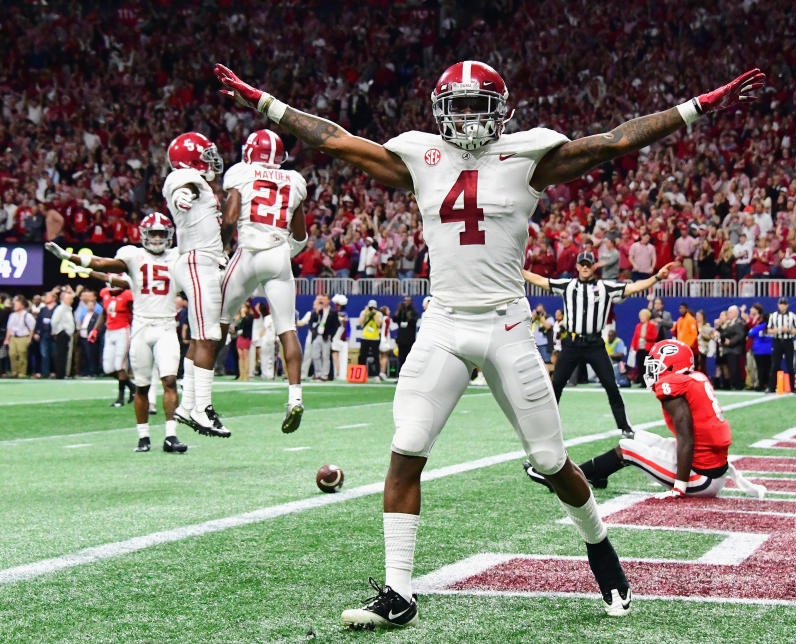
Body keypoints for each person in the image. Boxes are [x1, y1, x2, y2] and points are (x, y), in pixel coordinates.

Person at [217, 58, 765, 627]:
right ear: (440, 112)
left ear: (501, 112)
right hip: (444, 323)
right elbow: (336, 140)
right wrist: (266, 103)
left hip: (506, 325)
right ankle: (399, 592)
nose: (470, 119)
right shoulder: (419, 157)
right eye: (460, 107)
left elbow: (613, 142)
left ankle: (599, 544)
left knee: (552, 462)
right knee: (406, 448)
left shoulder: (529, 156)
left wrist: (698, 105)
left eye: (480, 107)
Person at [525, 340, 766, 499]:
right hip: (712, 468)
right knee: (638, 437)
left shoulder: (673, 387)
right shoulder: (694, 378)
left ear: (672, 365)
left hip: (702, 478)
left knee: (627, 448)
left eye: (657, 365)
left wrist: (679, 488)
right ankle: (596, 474)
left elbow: (686, 440)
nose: (652, 370)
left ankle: (561, 481)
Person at [46, 214, 188, 452]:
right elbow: (102, 264)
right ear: (143, 234)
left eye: (160, 234)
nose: (156, 238)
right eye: (152, 233)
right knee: (142, 386)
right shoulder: (133, 256)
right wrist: (68, 256)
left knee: (170, 380)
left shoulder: (176, 257)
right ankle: (143, 437)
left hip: (165, 326)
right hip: (141, 327)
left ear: (169, 236)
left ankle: (171, 436)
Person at [218, 129, 308, 432]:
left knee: (217, 319)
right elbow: (301, 235)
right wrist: (286, 251)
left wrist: (219, 250)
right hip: (278, 253)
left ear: (249, 151)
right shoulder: (295, 180)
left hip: (248, 252)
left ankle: (198, 395)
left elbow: (230, 219)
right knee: (287, 329)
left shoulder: (240, 172)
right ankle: (295, 398)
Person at [525, 252, 673, 436]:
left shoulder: (605, 287)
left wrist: (657, 277)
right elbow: (540, 280)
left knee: (611, 385)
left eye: (589, 264)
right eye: (582, 264)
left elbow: (633, 288)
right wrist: (518, 271)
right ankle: (544, 430)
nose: (585, 267)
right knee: (556, 386)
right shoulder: (567, 285)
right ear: (577, 266)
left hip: (595, 343)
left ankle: (625, 427)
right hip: (572, 342)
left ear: (594, 266)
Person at [163, 131, 230, 438]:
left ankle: (187, 404)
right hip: (197, 261)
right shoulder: (184, 177)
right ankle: (201, 408)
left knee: (202, 338)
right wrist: (183, 195)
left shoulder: (202, 183)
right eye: (204, 154)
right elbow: (181, 186)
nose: (210, 159)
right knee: (208, 337)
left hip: (203, 260)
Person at [96, 280, 136, 407]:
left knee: (120, 366)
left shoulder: (127, 295)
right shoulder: (105, 293)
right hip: (109, 331)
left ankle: (120, 398)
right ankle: (132, 387)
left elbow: (133, 314)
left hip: (122, 331)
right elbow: (104, 313)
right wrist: (95, 329)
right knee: (108, 368)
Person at [766, 297, 796, 393]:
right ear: (778, 305)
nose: (782, 306)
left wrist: (789, 330)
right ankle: (772, 387)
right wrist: (779, 330)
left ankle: (793, 388)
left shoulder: (792, 316)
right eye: (781, 304)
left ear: (787, 305)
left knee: (790, 365)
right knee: (775, 365)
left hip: (788, 341)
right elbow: (769, 330)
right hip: (777, 341)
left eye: (784, 304)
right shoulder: (773, 316)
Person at [299, 295, 338, 381]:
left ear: (328, 300)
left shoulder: (333, 312)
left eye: (324, 299)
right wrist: (313, 330)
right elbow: (312, 322)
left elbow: (336, 325)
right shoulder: (318, 311)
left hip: (325, 336)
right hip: (316, 335)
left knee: (325, 356)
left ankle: (324, 376)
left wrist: (331, 334)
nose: (323, 301)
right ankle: (318, 374)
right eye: (322, 300)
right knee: (315, 355)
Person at [3, 295, 35, 377]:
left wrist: (29, 339)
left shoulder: (27, 315)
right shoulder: (12, 315)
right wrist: (7, 339)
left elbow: (32, 328)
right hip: (13, 338)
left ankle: (22, 373)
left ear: (22, 305)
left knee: (22, 355)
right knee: (12, 354)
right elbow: (9, 328)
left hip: (23, 337)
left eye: (17, 304)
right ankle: (14, 371)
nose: (15, 306)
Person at [718, 305, 745, 390]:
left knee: (735, 368)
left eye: (730, 312)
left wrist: (730, 341)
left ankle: (737, 384)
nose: (728, 314)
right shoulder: (729, 323)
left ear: (735, 313)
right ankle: (732, 384)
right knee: (730, 368)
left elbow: (740, 335)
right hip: (728, 349)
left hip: (735, 349)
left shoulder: (738, 322)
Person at [50, 288, 76, 379]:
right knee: (61, 355)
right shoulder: (60, 309)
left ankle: (65, 373)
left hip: (67, 335)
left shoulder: (68, 309)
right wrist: (58, 331)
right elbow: (54, 321)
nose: (72, 300)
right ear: (64, 299)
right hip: (63, 335)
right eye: (70, 298)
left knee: (66, 355)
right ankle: (61, 373)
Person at [747, 310, 771, 391]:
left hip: (759, 351)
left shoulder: (759, 327)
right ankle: (768, 384)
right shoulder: (773, 328)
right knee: (768, 368)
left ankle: (761, 384)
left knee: (760, 368)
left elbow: (750, 333)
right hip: (770, 351)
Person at [394, 297, 419, 371]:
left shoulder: (414, 311)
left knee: (409, 358)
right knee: (400, 358)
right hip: (401, 339)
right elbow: (394, 319)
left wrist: (407, 312)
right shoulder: (401, 311)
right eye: (405, 301)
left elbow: (413, 321)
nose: (405, 302)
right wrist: (399, 309)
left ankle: (408, 375)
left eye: (407, 301)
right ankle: (399, 376)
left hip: (409, 340)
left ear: (411, 302)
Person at [379, 305, 395, 378]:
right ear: (385, 311)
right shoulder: (387, 319)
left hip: (379, 339)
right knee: (385, 356)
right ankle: (382, 372)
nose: (390, 311)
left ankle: (379, 371)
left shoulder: (379, 318)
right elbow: (387, 329)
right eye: (388, 310)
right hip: (385, 340)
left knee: (380, 356)